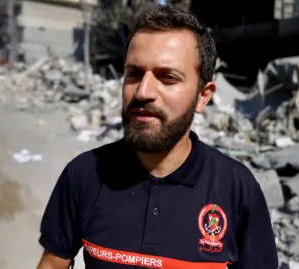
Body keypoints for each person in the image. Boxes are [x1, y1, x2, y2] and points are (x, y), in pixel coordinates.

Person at [37, 5, 278, 269]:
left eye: (167, 78)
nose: (143, 92)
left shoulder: (236, 189)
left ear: (203, 96)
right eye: (134, 74)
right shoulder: (84, 175)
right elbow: (53, 263)